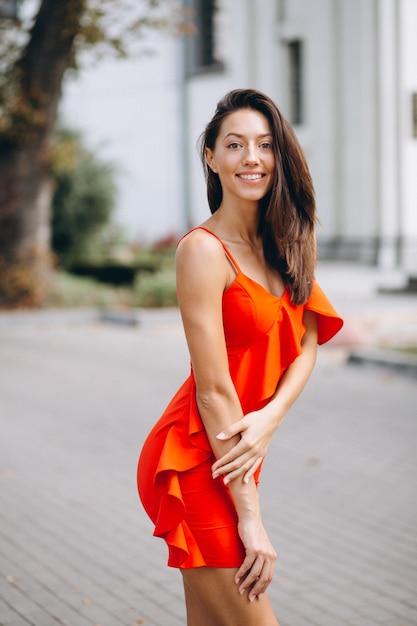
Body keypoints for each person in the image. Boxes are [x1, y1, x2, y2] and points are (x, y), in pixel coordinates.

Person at [137, 88, 343, 626]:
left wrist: (271, 418)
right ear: (211, 156)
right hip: (196, 459)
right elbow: (214, 390)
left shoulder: (285, 240)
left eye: (265, 145)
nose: (252, 157)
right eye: (235, 144)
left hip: (238, 451)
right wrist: (251, 519)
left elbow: (308, 341)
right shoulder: (202, 252)